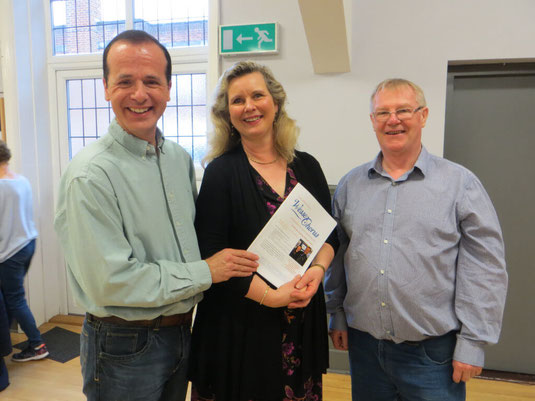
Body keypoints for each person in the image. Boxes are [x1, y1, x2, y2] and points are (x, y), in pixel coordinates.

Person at [54, 31, 258, 401]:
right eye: (125, 82)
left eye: (151, 81)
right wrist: (206, 272)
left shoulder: (178, 158)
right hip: (122, 343)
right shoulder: (91, 175)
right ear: (105, 88)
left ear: (168, 88)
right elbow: (111, 282)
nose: (139, 94)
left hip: (181, 332)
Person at [325, 78, 508, 400]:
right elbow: (339, 255)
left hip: (433, 355)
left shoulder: (460, 184)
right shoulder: (350, 185)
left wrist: (474, 341)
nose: (393, 120)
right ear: (372, 121)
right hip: (364, 347)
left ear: (423, 116)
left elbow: (485, 266)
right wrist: (336, 312)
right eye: (383, 113)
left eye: (403, 110)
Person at [188, 61, 338, 401]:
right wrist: (274, 296)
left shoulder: (307, 166)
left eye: (258, 95)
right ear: (227, 114)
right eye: (237, 100)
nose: (249, 106)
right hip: (240, 331)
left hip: (299, 323)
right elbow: (211, 255)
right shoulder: (221, 174)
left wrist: (316, 271)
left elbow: (329, 236)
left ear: (276, 103)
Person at [0, 140, 48, 363]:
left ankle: (37, 345)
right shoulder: (22, 181)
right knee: (11, 299)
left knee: (15, 299)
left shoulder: (1, 187)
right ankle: (6, 342)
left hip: (9, 252)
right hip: (28, 243)